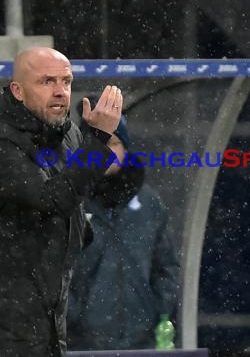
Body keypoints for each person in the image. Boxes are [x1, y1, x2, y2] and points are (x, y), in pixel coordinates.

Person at [0, 47, 123, 357]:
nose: (61, 92)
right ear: (18, 91)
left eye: (66, 81)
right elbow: (52, 199)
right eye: (47, 81)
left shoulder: (70, 137)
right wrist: (99, 139)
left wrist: (91, 139)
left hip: (44, 328)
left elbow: (72, 208)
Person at [66, 112, 180, 350]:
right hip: (81, 344)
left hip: (141, 341)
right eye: (100, 144)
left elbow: (166, 268)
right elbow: (58, 267)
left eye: (114, 143)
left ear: (126, 148)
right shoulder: (69, 199)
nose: (107, 152)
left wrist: (159, 312)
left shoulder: (150, 204)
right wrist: (73, 317)